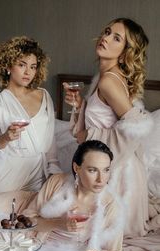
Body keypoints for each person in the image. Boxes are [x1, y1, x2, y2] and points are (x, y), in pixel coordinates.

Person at [64, 18, 155, 237]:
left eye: (116, 38)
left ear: (125, 52)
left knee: (92, 233)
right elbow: (106, 117)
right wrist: (80, 105)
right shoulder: (103, 77)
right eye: (107, 32)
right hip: (107, 164)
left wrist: (89, 134)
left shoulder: (108, 81)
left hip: (118, 171)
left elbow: (134, 130)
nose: (105, 38)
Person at [23, 140, 149, 251]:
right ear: (77, 168)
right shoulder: (57, 183)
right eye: (92, 170)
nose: (101, 179)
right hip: (43, 248)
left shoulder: (111, 204)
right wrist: (59, 223)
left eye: (106, 170)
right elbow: (28, 222)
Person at [0, 36, 62, 196]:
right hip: (10, 174)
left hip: (40, 173)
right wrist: (5, 138)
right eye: (22, 65)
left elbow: (50, 142)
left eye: (33, 66)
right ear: (8, 66)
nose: (28, 72)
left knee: (38, 216)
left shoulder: (44, 97)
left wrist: (54, 173)